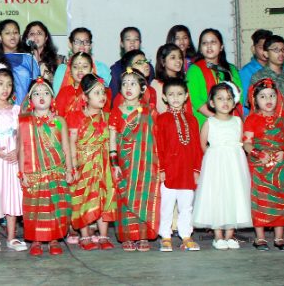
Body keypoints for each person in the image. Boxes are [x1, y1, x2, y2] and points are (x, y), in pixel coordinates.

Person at [192, 82, 252, 250]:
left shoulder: (238, 121)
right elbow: (203, 144)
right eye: (220, 99)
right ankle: (218, 235)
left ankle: (230, 234)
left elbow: (241, 141)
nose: (225, 102)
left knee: (234, 194)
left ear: (234, 102)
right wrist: (213, 156)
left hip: (235, 163)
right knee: (217, 195)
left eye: (229, 98)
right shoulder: (210, 122)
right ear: (212, 103)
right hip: (215, 164)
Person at [243, 78, 284, 251]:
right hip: (259, 166)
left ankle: (279, 238)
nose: (268, 100)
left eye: (272, 95)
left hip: (281, 166)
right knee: (260, 201)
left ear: (278, 97)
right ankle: (259, 238)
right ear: (255, 100)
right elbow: (246, 143)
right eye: (263, 96)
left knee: (280, 201)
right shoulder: (251, 119)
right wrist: (258, 153)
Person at [17, 78, 72, 256]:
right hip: (34, 173)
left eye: (46, 92)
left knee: (55, 206)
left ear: (52, 98)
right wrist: (22, 172)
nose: (41, 96)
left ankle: (54, 239)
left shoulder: (60, 121)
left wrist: (70, 170)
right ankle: (36, 240)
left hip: (56, 172)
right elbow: (21, 149)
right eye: (36, 93)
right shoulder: (24, 122)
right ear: (30, 99)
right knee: (35, 207)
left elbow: (66, 148)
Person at [109, 68, 160, 252]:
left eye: (133, 83)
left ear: (143, 88)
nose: (128, 87)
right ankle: (128, 237)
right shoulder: (116, 111)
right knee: (124, 197)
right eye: (124, 83)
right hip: (124, 161)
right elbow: (112, 139)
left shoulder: (150, 112)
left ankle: (143, 236)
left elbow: (156, 139)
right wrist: (114, 163)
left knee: (142, 195)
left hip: (145, 163)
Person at [67, 74, 117, 251]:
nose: (102, 96)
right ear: (85, 97)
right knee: (83, 198)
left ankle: (103, 236)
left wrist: (114, 163)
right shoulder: (75, 117)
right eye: (96, 93)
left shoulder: (109, 116)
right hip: (84, 164)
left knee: (104, 198)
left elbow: (112, 142)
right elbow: (71, 142)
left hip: (103, 165)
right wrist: (73, 166)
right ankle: (85, 235)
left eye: (103, 92)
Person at [155, 79, 203, 252]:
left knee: (186, 205)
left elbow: (197, 147)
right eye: (171, 94)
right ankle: (166, 236)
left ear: (186, 96)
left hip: (187, 171)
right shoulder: (162, 120)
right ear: (165, 97)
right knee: (167, 205)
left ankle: (186, 235)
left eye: (180, 94)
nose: (175, 98)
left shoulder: (192, 120)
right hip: (169, 171)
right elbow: (158, 146)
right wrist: (161, 169)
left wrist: (197, 169)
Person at [0, 68, 27, 253]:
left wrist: (17, 151)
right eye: (0, 84)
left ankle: (11, 236)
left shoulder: (17, 110)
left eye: (9, 84)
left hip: (12, 161)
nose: (5, 88)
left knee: (12, 195)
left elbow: (20, 135)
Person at [187, 28, 242, 127]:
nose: (209, 46)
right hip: (206, 123)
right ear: (200, 49)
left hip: (231, 122)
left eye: (213, 42)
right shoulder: (194, 70)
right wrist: (219, 120)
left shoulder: (231, 70)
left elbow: (239, 96)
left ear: (221, 47)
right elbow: (196, 100)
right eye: (204, 43)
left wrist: (229, 120)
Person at [52, 27, 112, 93]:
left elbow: (108, 94)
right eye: (77, 42)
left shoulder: (101, 68)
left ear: (91, 45)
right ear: (70, 44)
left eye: (86, 42)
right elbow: (56, 97)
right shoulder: (62, 69)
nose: (82, 45)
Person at [0, 19, 40, 105]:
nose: (12, 36)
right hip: (3, 111)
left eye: (15, 32)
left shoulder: (29, 59)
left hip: (27, 110)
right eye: (7, 33)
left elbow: (37, 85)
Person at [249, 35, 284, 103]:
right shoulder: (258, 77)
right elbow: (252, 103)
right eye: (276, 50)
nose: (281, 53)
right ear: (266, 54)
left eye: (283, 50)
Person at [110, 27, 154, 99]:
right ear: (122, 43)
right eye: (128, 39)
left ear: (140, 43)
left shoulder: (148, 67)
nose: (132, 42)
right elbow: (114, 96)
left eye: (136, 39)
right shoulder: (116, 69)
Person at [54, 52, 94, 119]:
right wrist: (62, 128)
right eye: (75, 67)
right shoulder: (64, 92)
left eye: (85, 66)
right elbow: (56, 119)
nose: (80, 70)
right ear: (70, 72)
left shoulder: (97, 91)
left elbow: (104, 117)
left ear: (91, 70)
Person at [151, 44, 185, 112]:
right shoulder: (157, 84)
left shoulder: (183, 81)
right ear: (163, 62)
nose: (178, 60)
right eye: (173, 57)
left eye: (180, 57)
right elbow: (161, 112)